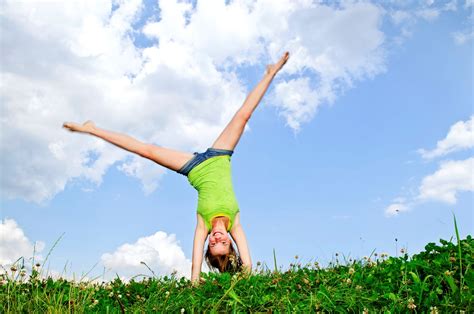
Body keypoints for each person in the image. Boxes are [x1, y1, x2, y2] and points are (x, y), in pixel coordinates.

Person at [63, 51, 290, 283]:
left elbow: (195, 258)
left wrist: (194, 279)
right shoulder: (236, 223)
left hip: (194, 168)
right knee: (243, 115)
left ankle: (92, 129)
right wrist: (244, 274)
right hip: (220, 156)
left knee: (146, 150)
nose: (217, 239)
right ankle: (271, 72)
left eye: (213, 245)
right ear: (231, 243)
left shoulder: (203, 224)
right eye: (223, 243)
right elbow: (248, 264)